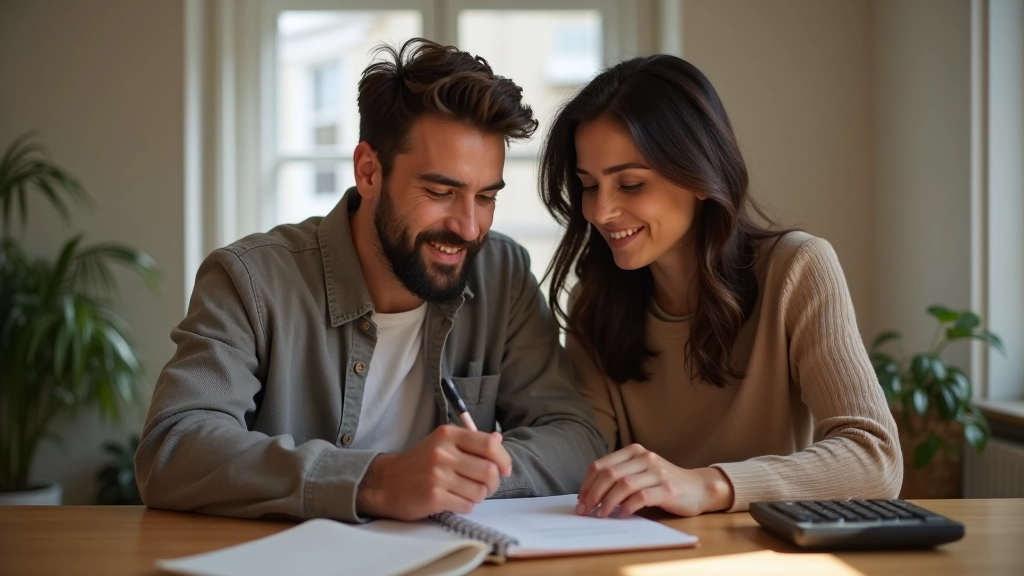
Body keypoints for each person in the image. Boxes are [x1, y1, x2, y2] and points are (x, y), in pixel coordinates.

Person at [136, 38, 605, 523]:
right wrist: (375, 481)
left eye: (485, 196)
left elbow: (574, 436)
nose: (469, 227)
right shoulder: (251, 279)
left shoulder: (501, 274)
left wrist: (461, 479)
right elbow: (175, 445)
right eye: (441, 191)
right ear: (368, 171)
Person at [538, 54, 902, 519]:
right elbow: (585, 460)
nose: (600, 211)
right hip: (647, 555)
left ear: (699, 177)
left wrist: (709, 485)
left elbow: (876, 459)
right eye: (589, 185)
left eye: (629, 184)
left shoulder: (796, 269)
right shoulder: (595, 304)